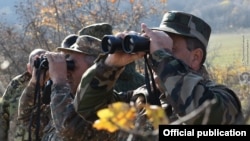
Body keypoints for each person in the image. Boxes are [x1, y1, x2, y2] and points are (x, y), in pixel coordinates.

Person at [72, 11, 244, 138]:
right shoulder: (141, 98)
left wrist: (162, 55)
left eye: (170, 48)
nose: (155, 53)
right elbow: (88, 108)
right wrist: (109, 65)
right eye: (153, 45)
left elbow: (202, 115)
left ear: (195, 57)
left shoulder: (221, 99)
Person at [18, 23, 145, 141]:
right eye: (65, 63)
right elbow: (27, 118)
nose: (66, 71)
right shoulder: (63, 102)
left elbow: (70, 130)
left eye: (71, 65)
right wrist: (36, 82)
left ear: (94, 69)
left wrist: (59, 81)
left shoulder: (108, 109)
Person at [0, 48, 47, 141]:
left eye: (45, 63)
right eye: (37, 64)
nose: (41, 68)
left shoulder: (58, 85)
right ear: (29, 67)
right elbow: (2, 115)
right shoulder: (17, 84)